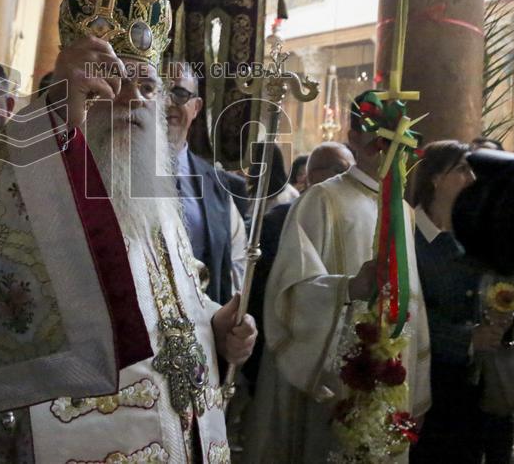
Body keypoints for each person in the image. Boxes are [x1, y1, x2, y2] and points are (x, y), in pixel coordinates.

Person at [0, 0, 257, 462]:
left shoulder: (153, 194)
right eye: (109, 81)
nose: (131, 99)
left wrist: (215, 324)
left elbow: (169, 297)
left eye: (147, 85)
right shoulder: (29, 175)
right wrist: (52, 115)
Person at [247, 91, 431, 463]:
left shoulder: (404, 213)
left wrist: (418, 385)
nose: (388, 149)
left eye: (397, 139)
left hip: (393, 376)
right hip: (336, 380)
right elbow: (290, 292)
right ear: (353, 138)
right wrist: (349, 288)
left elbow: (414, 300)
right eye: (378, 138)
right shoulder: (321, 200)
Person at [408, 140, 514, 463]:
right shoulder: (412, 238)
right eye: (462, 170)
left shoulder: (468, 232)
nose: (472, 178)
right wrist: (469, 339)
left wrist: (504, 313)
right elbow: (412, 313)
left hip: (478, 387)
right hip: (434, 386)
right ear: (435, 179)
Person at [243, 141, 355, 389]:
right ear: (311, 175)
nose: (348, 179)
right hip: (283, 351)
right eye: (340, 170)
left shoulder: (353, 216)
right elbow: (263, 294)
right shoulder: (278, 220)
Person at [165, 61, 248, 304]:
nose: (167, 102)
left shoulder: (215, 184)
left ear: (196, 107)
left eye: (179, 93)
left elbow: (235, 257)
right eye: (157, 91)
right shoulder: (119, 171)